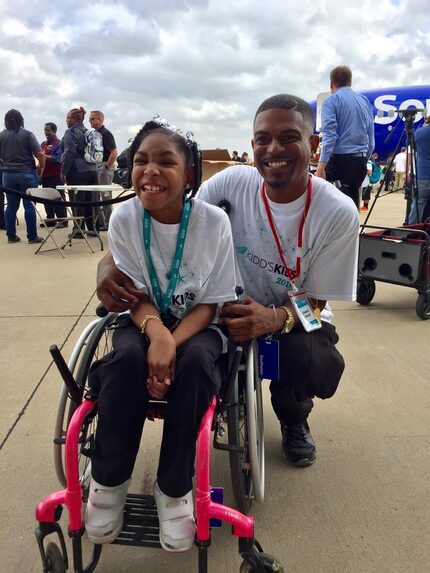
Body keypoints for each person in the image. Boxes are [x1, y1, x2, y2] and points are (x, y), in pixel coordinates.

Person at [96, 94, 359, 471]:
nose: (274, 149)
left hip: (290, 314)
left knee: (314, 360)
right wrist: (106, 267)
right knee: (203, 352)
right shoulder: (234, 182)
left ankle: (293, 414)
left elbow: (316, 302)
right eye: (263, 139)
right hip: (220, 308)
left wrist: (274, 319)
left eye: (288, 137)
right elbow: (170, 219)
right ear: (252, 145)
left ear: (312, 144)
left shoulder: (336, 211)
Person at [85, 119, 237, 552]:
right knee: (124, 361)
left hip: (198, 322)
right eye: (141, 161)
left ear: (190, 174)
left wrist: (173, 340)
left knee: (197, 364)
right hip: (142, 317)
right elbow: (133, 295)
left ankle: (173, 488)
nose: (151, 171)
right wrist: (157, 335)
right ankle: (108, 481)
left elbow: (211, 304)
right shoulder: (126, 218)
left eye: (166, 162)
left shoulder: (213, 224)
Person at [315, 65, 374, 208]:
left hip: (340, 164)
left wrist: (321, 167)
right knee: (352, 208)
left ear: (331, 84)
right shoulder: (364, 101)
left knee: (334, 211)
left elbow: (330, 135)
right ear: (350, 82)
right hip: (359, 162)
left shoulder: (331, 101)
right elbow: (371, 140)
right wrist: (362, 160)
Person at [0, 109, 45, 244]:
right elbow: (40, 154)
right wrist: (41, 167)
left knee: (11, 206)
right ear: (21, 120)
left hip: (8, 175)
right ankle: (32, 237)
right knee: (29, 206)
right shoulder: (27, 134)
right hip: (27, 173)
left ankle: (11, 236)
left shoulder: (1, 136)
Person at [61, 106, 99, 238]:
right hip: (93, 170)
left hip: (78, 170)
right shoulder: (89, 132)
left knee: (77, 201)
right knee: (91, 201)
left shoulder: (70, 132)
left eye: (68, 117)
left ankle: (79, 230)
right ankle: (93, 228)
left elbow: (69, 152)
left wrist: (63, 171)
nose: (66, 120)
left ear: (75, 119)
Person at [89, 110, 118, 229]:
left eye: (92, 119)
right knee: (97, 195)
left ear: (99, 120)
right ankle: (101, 221)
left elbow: (114, 152)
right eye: (89, 119)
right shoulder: (95, 134)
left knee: (105, 195)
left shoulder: (105, 133)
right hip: (97, 165)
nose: (90, 121)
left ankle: (109, 222)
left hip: (104, 165)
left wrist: (106, 167)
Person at [41, 122, 67, 226]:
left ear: (54, 131)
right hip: (45, 175)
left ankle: (63, 220)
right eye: (45, 130)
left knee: (58, 198)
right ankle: (50, 220)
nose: (46, 132)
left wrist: (44, 156)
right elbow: (40, 157)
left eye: (48, 130)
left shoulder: (59, 143)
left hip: (56, 175)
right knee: (46, 198)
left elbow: (58, 159)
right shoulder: (43, 144)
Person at [408, 117, 430, 224]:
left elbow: (412, 146)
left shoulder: (420, 132)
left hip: (423, 174)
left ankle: (411, 231)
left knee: (418, 203)